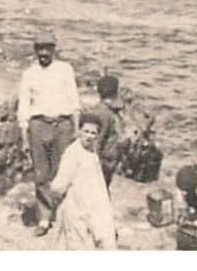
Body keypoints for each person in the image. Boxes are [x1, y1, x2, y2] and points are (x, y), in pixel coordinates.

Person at [17, 31, 80, 236]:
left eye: (47, 48)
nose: (43, 53)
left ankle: (64, 215)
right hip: (38, 126)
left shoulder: (65, 69)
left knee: (64, 173)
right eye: (40, 49)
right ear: (35, 51)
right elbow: (24, 107)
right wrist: (25, 138)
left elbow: (74, 101)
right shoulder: (29, 74)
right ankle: (44, 218)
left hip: (63, 126)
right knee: (41, 174)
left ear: (54, 50)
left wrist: (77, 130)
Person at [50, 113, 117, 250]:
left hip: (93, 206)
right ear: (79, 131)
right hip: (76, 208)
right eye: (86, 131)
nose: (89, 136)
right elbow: (59, 184)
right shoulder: (73, 152)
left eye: (94, 133)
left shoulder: (92, 152)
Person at [88, 74, 125, 187]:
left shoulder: (103, 110)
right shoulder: (105, 113)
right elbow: (96, 142)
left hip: (105, 161)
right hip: (103, 162)